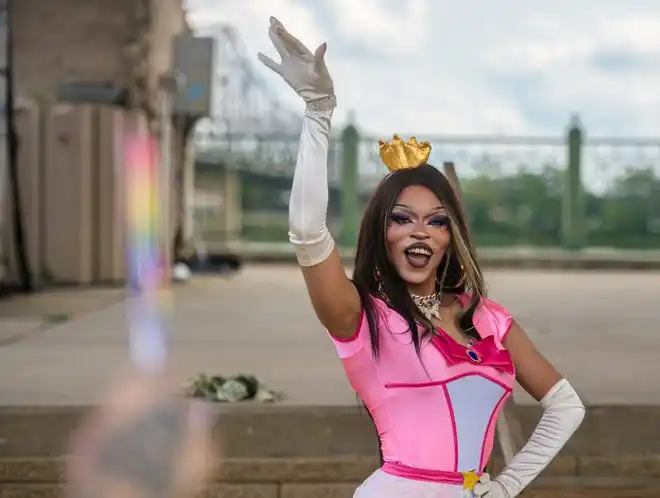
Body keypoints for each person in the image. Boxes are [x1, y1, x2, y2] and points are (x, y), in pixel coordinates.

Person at [258, 17, 585, 498]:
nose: (420, 231)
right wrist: (318, 111)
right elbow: (307, 233)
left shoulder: (490, 320)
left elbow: (567, 406)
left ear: (451, 237)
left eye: (436, 221)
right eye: (403, 218)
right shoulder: (361, 316)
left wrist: (510, 484)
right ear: (381, 231)